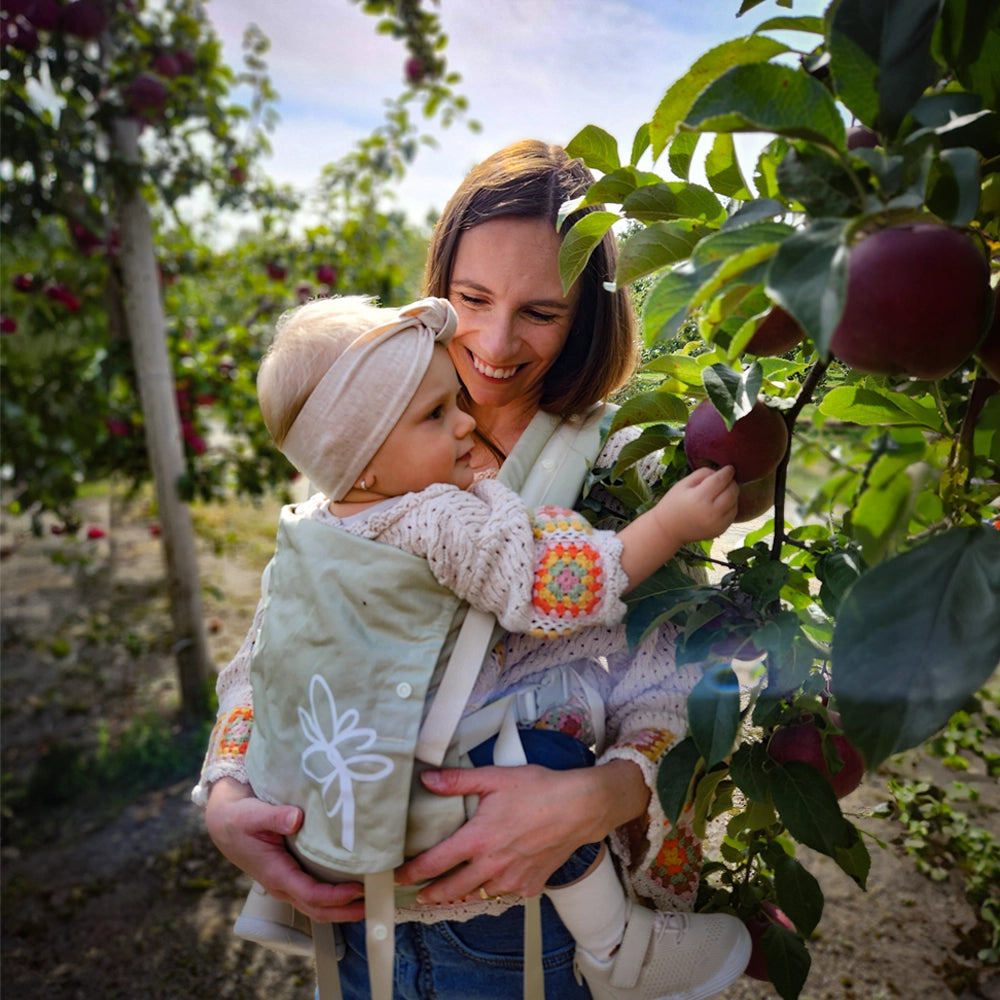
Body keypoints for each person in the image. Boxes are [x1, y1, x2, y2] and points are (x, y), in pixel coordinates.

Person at [195, 141, 752, 1000]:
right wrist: (230, 790)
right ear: (438, 289)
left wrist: (600, 797)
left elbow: (681, 678)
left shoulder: (617, 467)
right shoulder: (378, 442)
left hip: (530, 921)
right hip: (362, 915)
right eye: (472, 298)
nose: (492, 343)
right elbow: (283, 644)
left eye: (539, 311)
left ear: (587, 317)